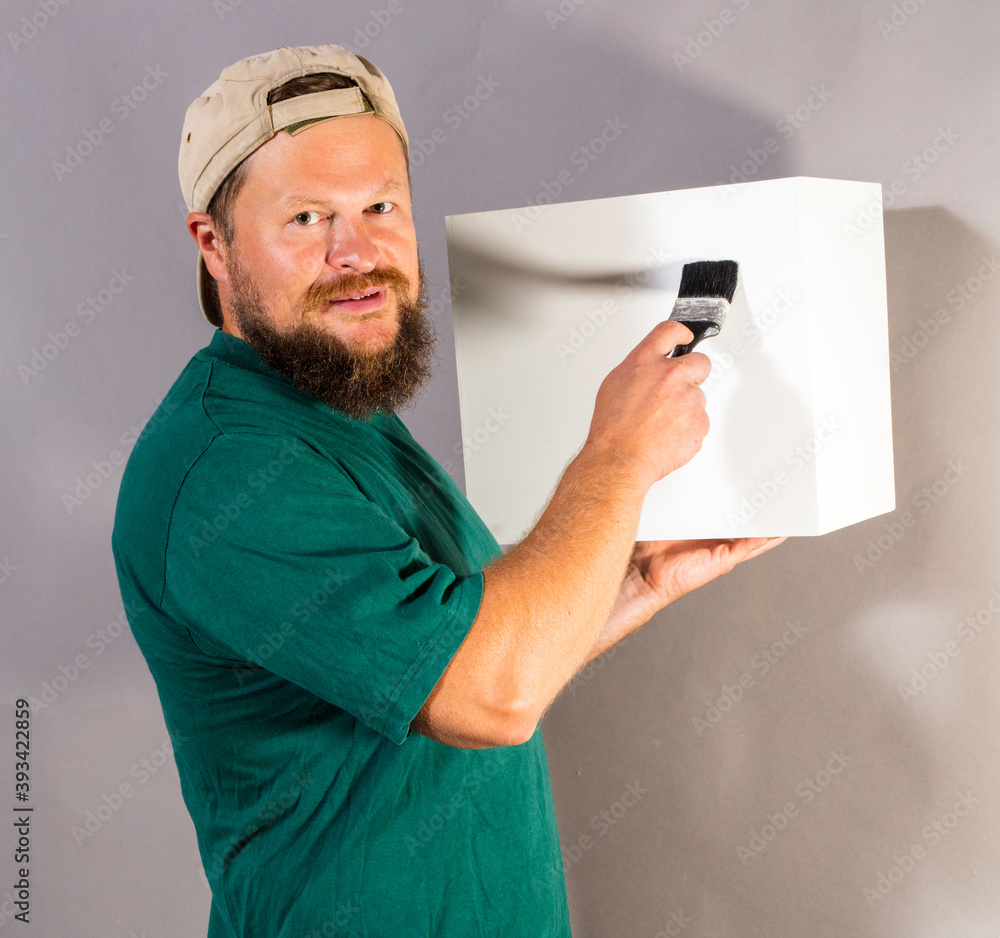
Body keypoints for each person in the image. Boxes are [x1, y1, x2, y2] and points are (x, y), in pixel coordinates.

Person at [111, 44, 783, 937]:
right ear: (215, 246)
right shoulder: (225, 468)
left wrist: (636, 582)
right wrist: (616, 458)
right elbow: (490, 692)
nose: (358, 253)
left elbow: (454, 656)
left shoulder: (337, 407)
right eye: (307, 218)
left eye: (381, 206)